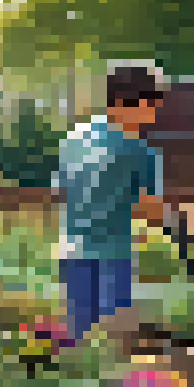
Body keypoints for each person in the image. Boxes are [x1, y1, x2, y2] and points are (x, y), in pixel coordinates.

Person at [54, 66, 180, 348]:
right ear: (129, 103)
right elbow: (150, 210)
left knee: (79, 339)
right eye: (152, 104)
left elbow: (66, 192)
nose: (155, 113)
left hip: (71, 252)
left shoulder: (73, 139)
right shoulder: (140, 151)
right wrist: (178, 227)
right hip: (113, 255)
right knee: (114, 342)